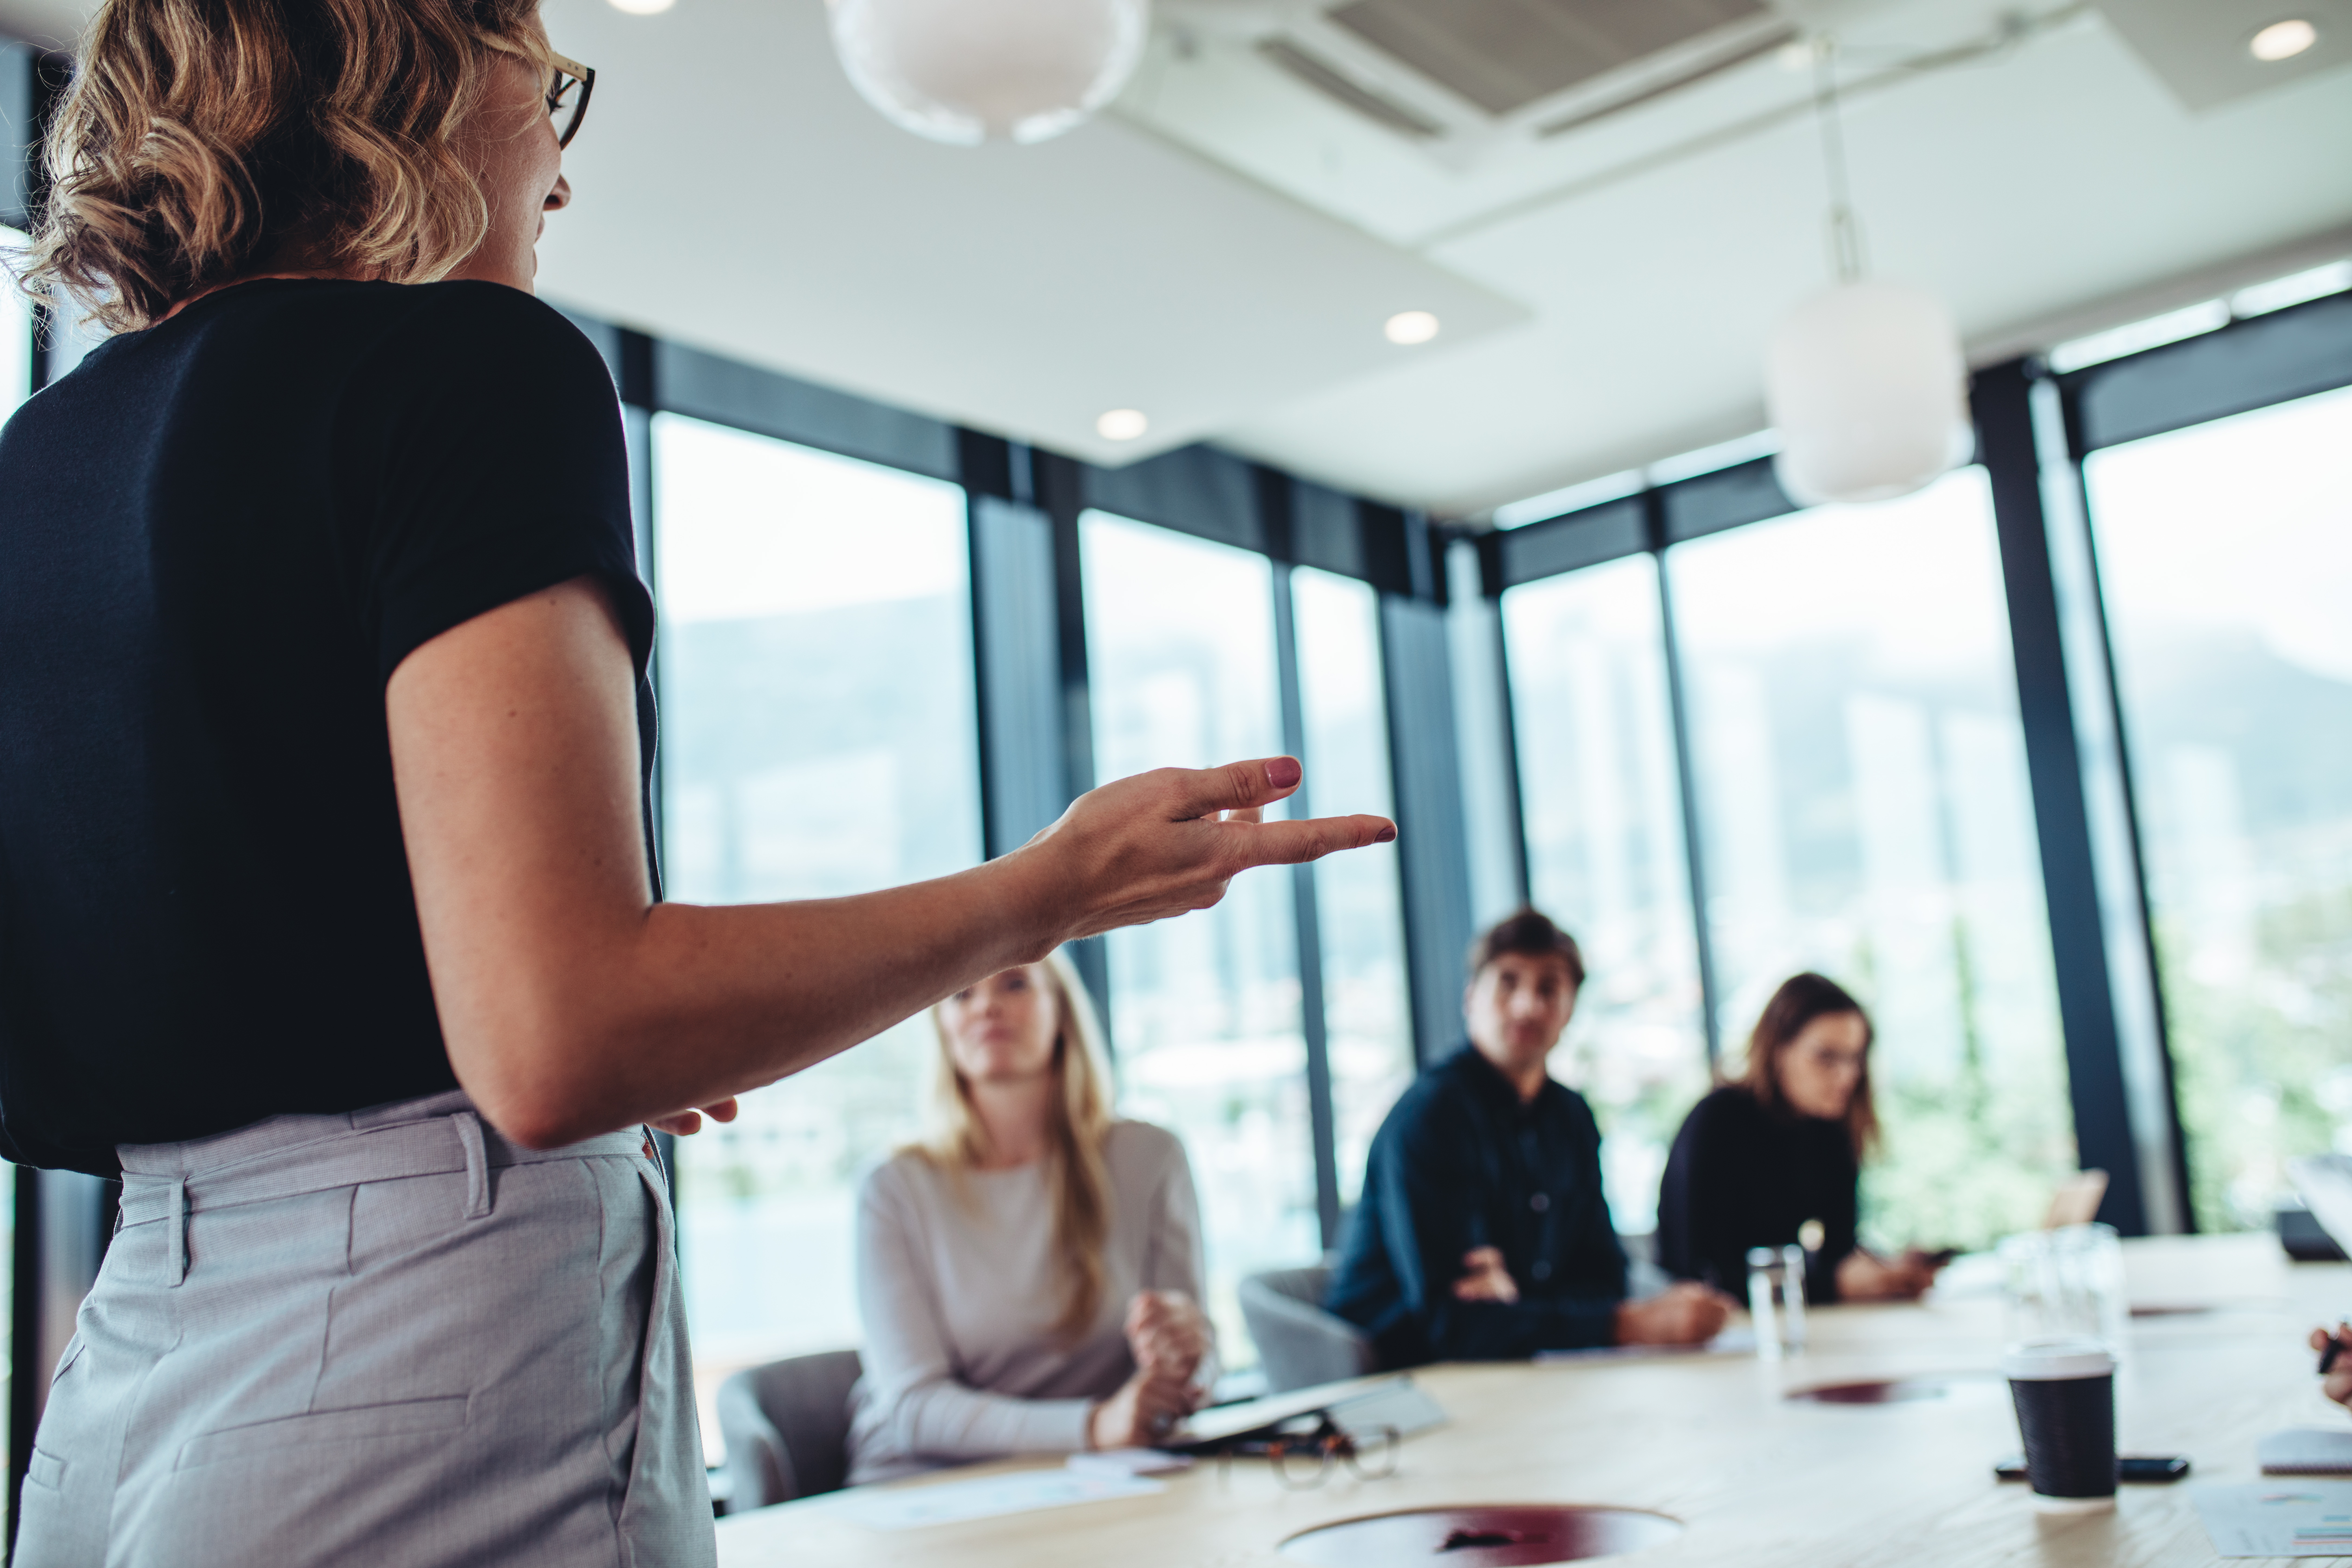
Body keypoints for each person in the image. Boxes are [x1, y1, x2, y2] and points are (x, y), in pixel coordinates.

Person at [0, 2, 1393, 1560]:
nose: (561, 177)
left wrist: (465, 1023)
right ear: (426, 71)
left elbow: (180, 959)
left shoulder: (37, 459)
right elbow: (556, 1038)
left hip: (119, 1368)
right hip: (417, 1326)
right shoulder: (470, 367)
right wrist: (1046, 891)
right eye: (556, 94)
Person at [846, 955, 1213, 1483]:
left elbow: (1196, 1358)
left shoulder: (1151, 1156)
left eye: (1015, 984)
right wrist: (1093, 1427)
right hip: (927, 1482)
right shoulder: (893, 1187)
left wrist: (1189, 1360)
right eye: (961, 994)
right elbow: (914, 1408)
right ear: (943, 1028)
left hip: (1103, 1475)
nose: (988, 1005)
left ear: (1063, 1013)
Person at [1325, 910, 1734, 1365]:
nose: (1527, 1005)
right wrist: (1625, 1323)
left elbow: (1604, 1277)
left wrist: (1517, 1298)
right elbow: (1451, 1323)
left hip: (1517, 1366)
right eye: (1508, 982)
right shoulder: (1429, 1118)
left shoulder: (1570, 1116)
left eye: (1548, 988)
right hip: (1398, 1378)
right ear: (1470, 998)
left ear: (1570, 1008)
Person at [1655, 973, 1942, 1305]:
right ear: (1779, 1049)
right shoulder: (1718, 1120)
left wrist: (1884, 1272)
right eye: (1826, 1056)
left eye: (1855, 1057)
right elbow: (1701, 1272)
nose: (1848, 1075)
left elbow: (1839, 1250)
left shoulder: (1830, 1129)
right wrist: (1835, 1285)